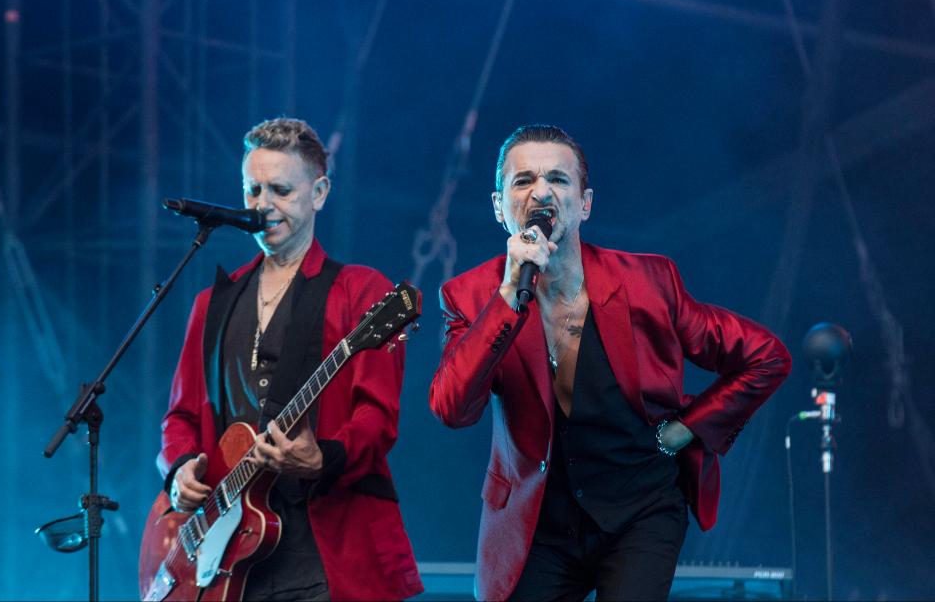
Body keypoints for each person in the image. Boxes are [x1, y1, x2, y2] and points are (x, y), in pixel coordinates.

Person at [429, 124, 792, 601]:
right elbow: (453, 408)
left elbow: (766, 357)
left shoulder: (648, 283)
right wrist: (508, 297)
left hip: (640, 510)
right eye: (523, 181)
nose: (542, 191)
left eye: (559, 180)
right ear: (500, 207)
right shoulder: (469, 296)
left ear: (585, 203)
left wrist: (688, 428)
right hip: (538, 521)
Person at [159, 118, 422, 601]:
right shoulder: (211, 303)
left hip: (323, 549)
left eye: (280, 190)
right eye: (252, 189)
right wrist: (178, 472)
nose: (262, 205)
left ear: (319, 192)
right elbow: (179, 414)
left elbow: (378, 418)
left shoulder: (360, 291)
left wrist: (323, 456)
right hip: (228, 556)